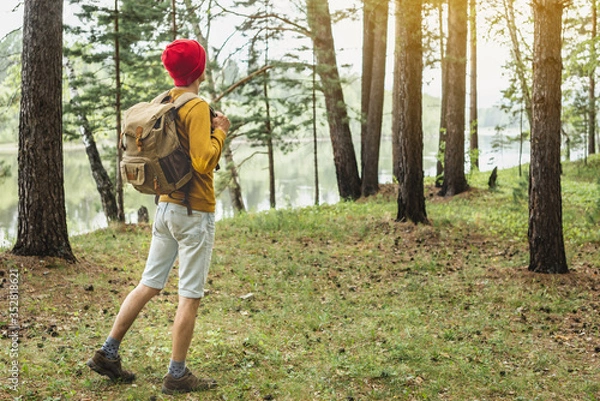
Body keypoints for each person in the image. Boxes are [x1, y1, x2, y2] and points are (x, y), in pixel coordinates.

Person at [86, 38, 230, 395]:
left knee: (148, 284)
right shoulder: (195, 107)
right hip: (194, 211)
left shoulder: (162, 102)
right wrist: (220, 132)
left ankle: (108, 351)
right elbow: (203, 161)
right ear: (201, 69)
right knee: (189, 295)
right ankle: (176, 374)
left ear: (172, 72)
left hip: (164, 208)